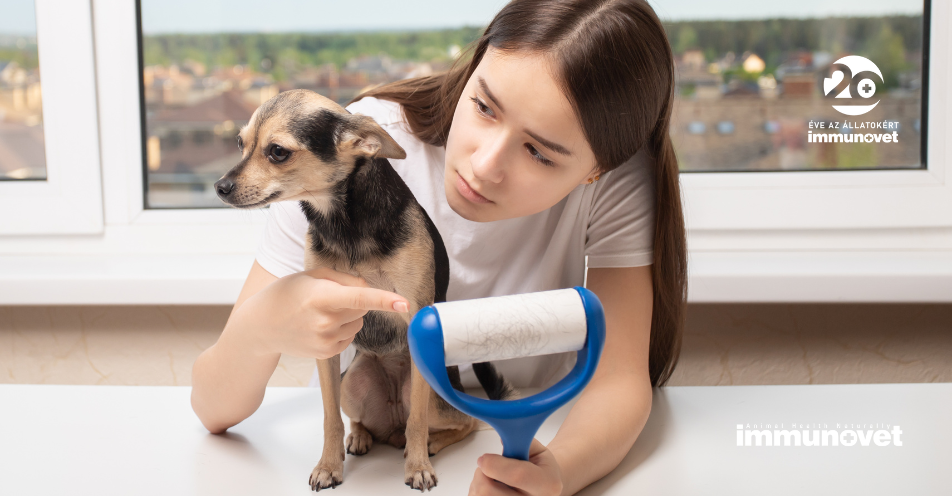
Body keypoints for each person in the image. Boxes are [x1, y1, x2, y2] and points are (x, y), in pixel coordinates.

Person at [190, 0, 687, 494]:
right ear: (473, 68)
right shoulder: (336, 148)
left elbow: (620, 382)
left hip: (531, 429)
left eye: (538, 151)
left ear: (597, 170)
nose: (484, 165)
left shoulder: (618, 183)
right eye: (484, 106)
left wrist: (558, 473)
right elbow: (213, 408)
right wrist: (258, 329)